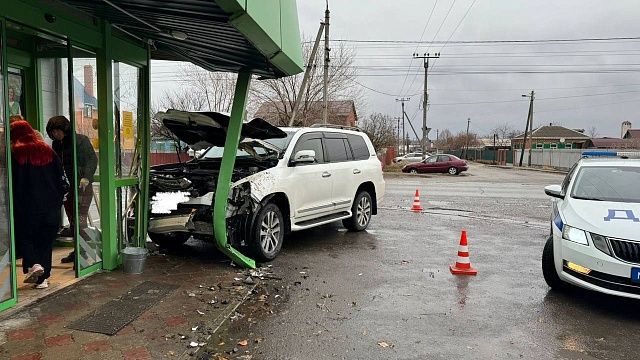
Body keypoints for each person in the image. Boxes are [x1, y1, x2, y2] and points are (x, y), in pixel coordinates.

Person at [10, 120, 67, 288]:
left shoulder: (16, 154)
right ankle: (43, 279)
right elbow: (63, 180)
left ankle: (34, 265)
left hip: (28, 207)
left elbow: (15, 184)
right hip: (51, 208)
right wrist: (58, 201)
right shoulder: (48, 151)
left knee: (25, 237)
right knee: (45, 242)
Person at [46, 115, 98, 264]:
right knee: (73, 222)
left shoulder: (81, 140)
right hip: (67, 188)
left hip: (82, 186)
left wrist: (86, 176)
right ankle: (78, 251)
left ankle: (85, 253)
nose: (55, 134)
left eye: (57, 131)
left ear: (65, 129)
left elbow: (92, 159)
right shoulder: (56, 145)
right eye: (53, 132)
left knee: (80, 220)